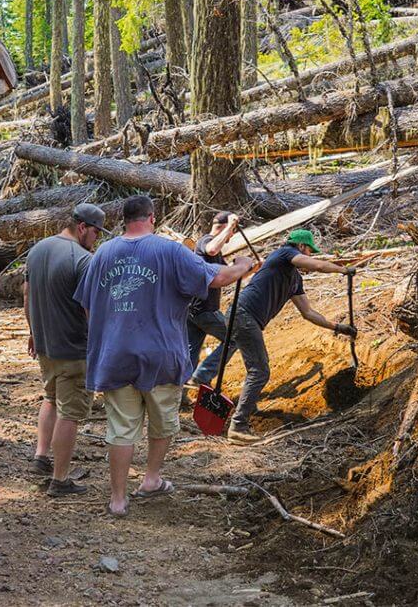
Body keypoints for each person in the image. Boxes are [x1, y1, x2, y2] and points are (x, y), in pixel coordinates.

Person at [73, 195, 254, 516]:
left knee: (121, 427)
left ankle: (117, 499)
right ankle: (151, 478)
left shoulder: (103, 253)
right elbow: (215, 278)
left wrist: (108, 333)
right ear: (152, 218)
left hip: (115, 356)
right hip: (161, 355)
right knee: (163, 421)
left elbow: (87, 304)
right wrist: (242, 266)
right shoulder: (169, 250)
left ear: (124, 220)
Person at [192, 229, 358, 444]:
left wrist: (338, 327)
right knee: (260, 371)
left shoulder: (294, 279)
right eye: (309, 251)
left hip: (246, 317)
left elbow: (308, 313)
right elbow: (315, 265)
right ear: (300, 246)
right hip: (243, 314)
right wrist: (342, 270)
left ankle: (243, 413)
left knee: (257, 369)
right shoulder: (283, 254)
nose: (310, 255)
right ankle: (238, 426)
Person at [24, 203, 107, 496]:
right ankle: (60, 479)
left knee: (51, 397)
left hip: (45, 343)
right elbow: (90, 308)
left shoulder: (38, 249)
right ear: (82, 227)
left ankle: (41, 456)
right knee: (70, 413)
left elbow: (27, 293)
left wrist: (33, 330)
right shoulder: (83, 260)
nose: (96, 239)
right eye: (96, 232)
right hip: (74, 348)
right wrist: (100, 343)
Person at [187, 212, 240, 370]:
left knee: (191, 351)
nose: (232, 234)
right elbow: (210, 249)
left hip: (193, 311)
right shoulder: (206, 241)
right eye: (232, 231)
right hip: (204, 310)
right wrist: (231, 225)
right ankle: (203, 375)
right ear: (224, 227)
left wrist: (250, 269)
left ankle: (181, 391)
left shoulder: (217, 252)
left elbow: (228, 273)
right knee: (235, 337)